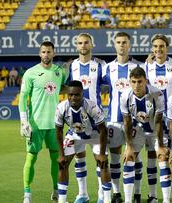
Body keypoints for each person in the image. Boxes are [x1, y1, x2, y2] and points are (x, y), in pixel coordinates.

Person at [19, 41, 69, 203]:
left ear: (53, 53)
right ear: (39, 54)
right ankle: (27, 193)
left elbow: (61, 88)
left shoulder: (58, 72)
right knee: (31, 158)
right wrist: (24, 121)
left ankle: (56, 190)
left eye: (49, 52)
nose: (46, 54)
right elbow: (23, 97)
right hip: (36, 125)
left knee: (57, 160)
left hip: (55, 125)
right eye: (43, 52)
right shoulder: (31, 73)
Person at [102, 31, 144, 203]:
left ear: (129, 44)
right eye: (118, 42)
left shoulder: (139, 67)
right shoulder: (106, 68)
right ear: (114, 45)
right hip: (113, 119)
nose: (121, 45)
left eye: (124, 42)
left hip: (134, 121)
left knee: (135, 157)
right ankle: (117, 193)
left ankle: (137, 193)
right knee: (114, 157)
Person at [54, 80, 112, 203]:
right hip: (74, 134)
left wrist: (102, 154)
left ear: (82, 94)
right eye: (70, 95)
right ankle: (68, 199)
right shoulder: (61, 107)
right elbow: (58, 131)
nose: (73, 97)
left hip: (95, 135)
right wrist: (61, 155)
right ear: (67, 95)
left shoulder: (92, 106)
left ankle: (105, 198)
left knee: (103, 163)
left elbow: (103, 130)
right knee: (62, 164)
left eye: (77, 94)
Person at [146, 34, 172, 203]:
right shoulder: (147, 66)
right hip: (156, 119)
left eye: (161, 46)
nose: (158, 49)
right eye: (155, 46)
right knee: (161, 157)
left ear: (167, 48)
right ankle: (165, 199)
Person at [67, 33, 107, 203]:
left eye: (86, 42)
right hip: (75, 121)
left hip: (95, 122)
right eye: (80, 43)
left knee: (99, 159)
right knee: (79, 157)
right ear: (76, 46)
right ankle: (82, 194)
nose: (83, 45)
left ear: (92, 44)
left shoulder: (101, 65)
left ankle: (101, 195)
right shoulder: (71, 66)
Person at [120, 67, 168, 203]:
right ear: (129, 81)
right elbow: (127, 122)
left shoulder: (156, 94)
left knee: (161, 158)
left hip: (155, 129)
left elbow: (158, 121)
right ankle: (129, 200)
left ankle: (159, 198)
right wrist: (128, 146)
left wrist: (161, 145)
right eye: (133, 82)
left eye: (140, 82)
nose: (137, 85)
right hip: (138, 129)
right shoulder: (125, 96)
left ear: (146, 81)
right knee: (129, 158)